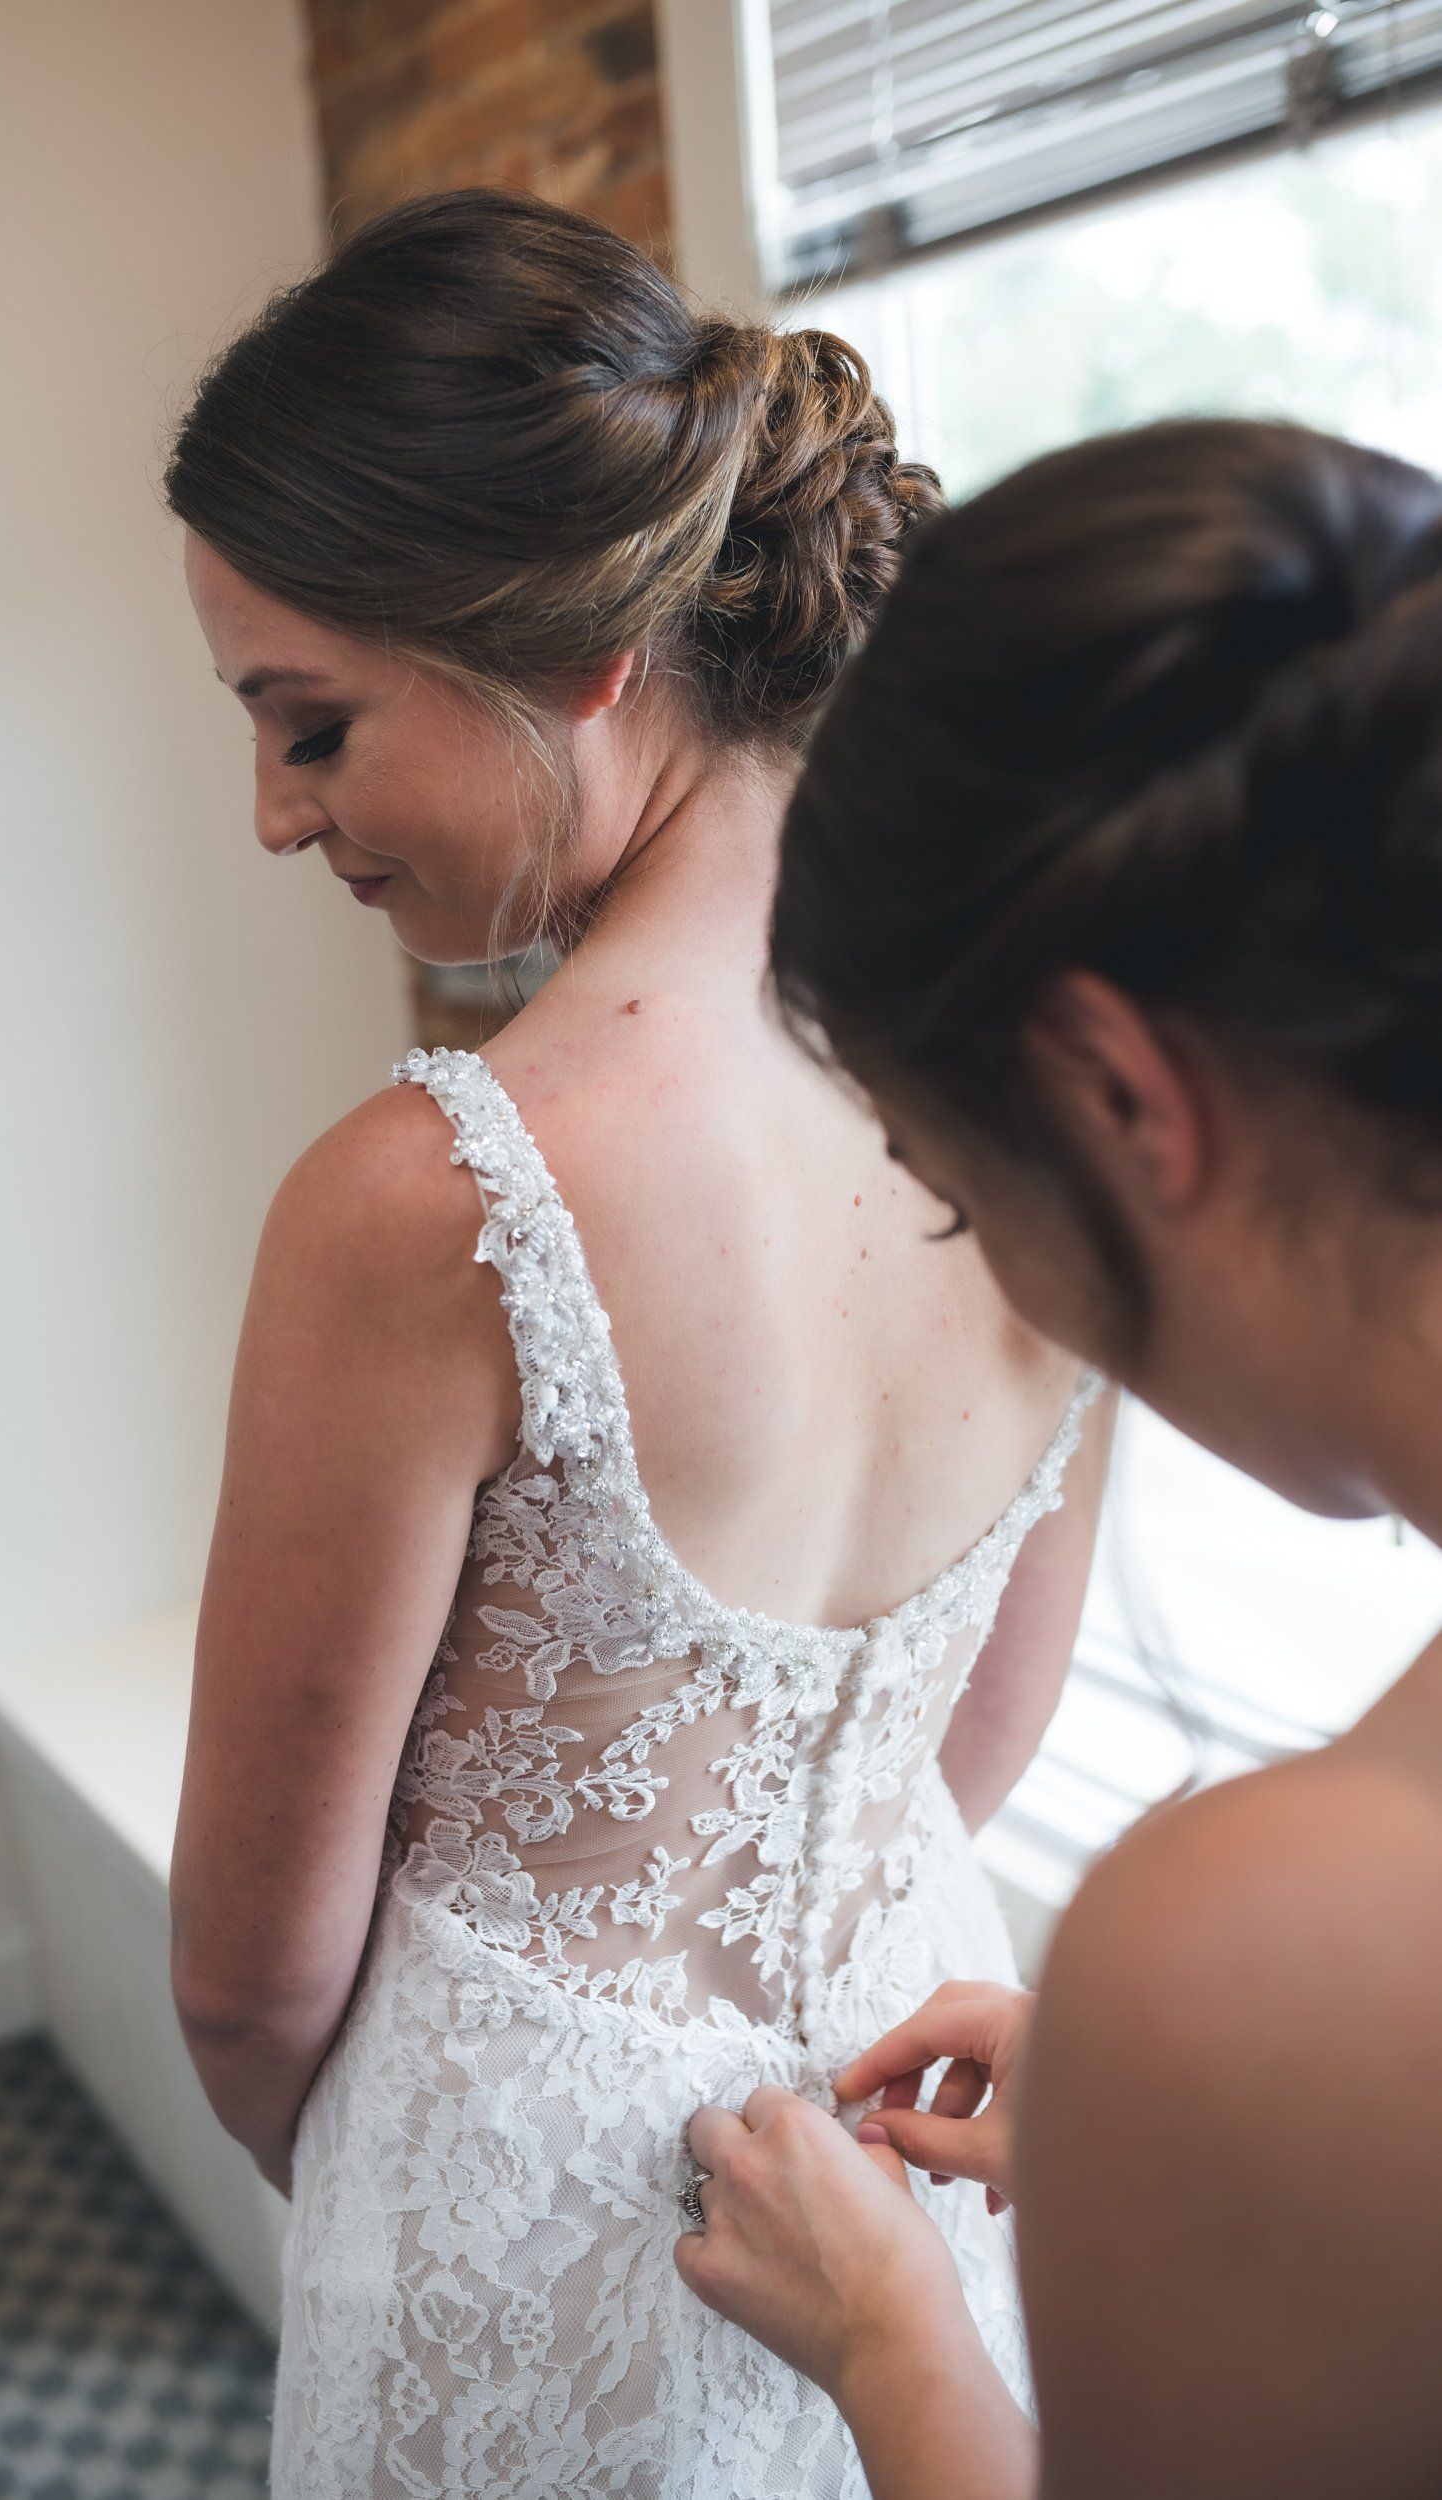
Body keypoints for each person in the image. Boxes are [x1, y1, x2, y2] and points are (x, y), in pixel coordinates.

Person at [160, 189, 1110, 2498]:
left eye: (312, 723)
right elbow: (982, 1726)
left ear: (584, 650)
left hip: (523, 2231)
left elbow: (251, 1972)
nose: (276, 813)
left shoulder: (429, 1198)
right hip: (909, 2126)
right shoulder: (1049, 1076)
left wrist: (433, 2168)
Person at [677, 416, 1442, 2500]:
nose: (979, 1257)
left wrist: (899, 2343)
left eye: (940, 1180)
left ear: (1120, 1086)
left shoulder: (1268, 1944)